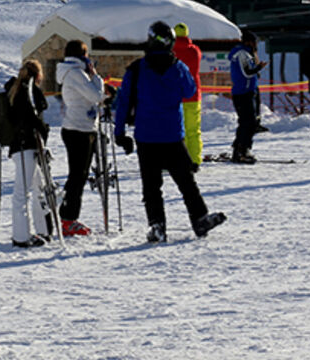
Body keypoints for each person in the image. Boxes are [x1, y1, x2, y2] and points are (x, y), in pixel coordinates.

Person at [114, 22, 226, 243]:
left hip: (146, 136)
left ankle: (157, 225)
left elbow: (123, 102)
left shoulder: (136, 69)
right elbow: (190, 90)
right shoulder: (177, 67)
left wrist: (120, 133)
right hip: (172, 135)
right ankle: (199, 218)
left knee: (152, 186)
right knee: (186, 181)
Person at [55, 40, 105, 236]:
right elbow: (95, 96)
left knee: (79, 175)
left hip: (81, 127)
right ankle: (68, 217)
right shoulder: (76, 73)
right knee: (77, 176)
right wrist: (96, 77)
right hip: (79, 129)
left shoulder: (72, 72)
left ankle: (69, 216)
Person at [5, 60, 53, 247]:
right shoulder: (26, 91)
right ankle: (21, 236)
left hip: (22, 147)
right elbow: (31, 117)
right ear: (38, 74)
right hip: (26, 145)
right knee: (22, 192)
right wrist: (43, 129)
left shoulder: (18, 89)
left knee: (37, 188)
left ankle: (41, 230)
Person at [229, 29, 268, 163]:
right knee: (248, 123)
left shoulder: (248, 53)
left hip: (248, 91)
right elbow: (246, 72)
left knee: (247, 122)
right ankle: (242, 150)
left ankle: (239, 149)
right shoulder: (241, 53)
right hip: (242, 92)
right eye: (254, 42)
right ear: (249, 42)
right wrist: (258, 68)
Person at [172, 23, 205, 168]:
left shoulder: (170, 51)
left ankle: (173, 161)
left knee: (173, 131)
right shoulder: (195, 51)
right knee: (193, 130)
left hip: (174, 96)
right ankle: (194, 160)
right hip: (193, 95)